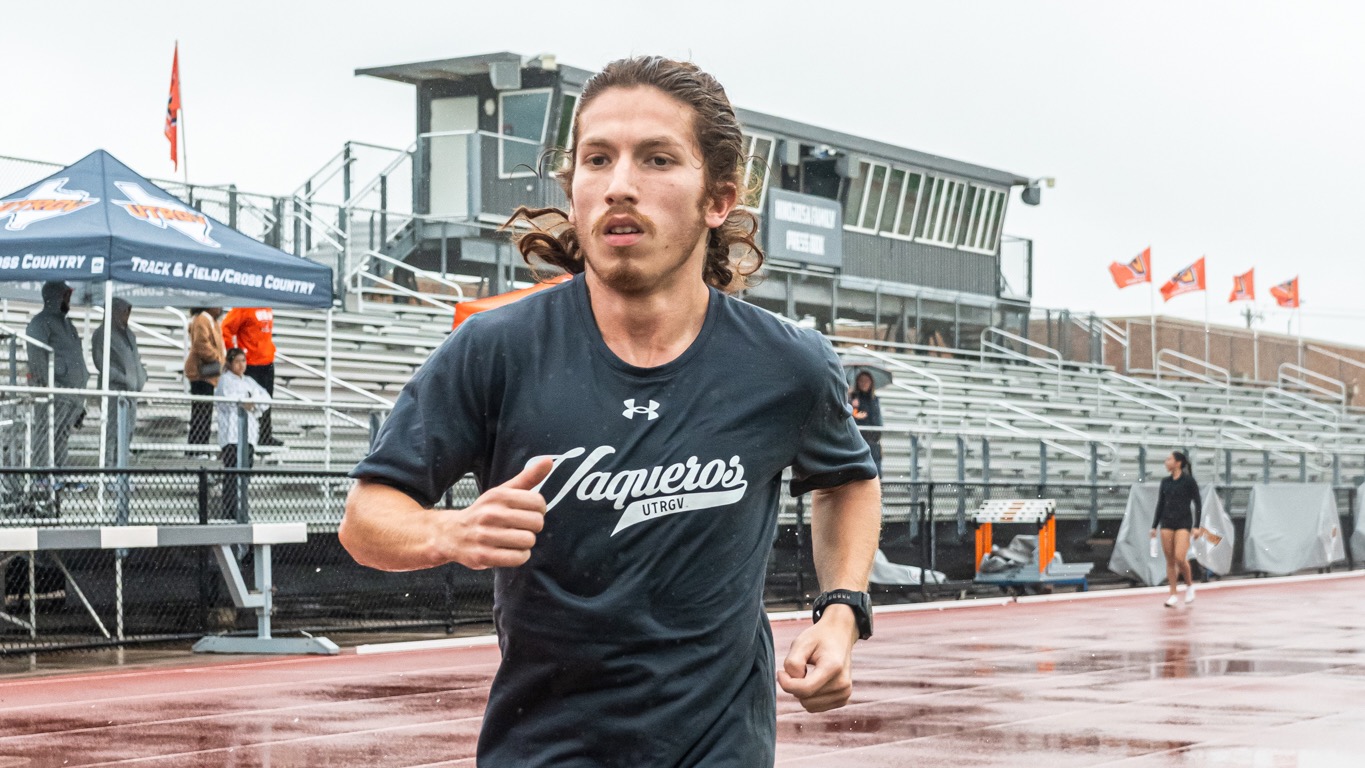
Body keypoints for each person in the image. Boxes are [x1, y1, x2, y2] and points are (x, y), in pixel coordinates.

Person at [341, 56, 882, 767]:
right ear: (573, 187)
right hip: (544, 748)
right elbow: (365, 518)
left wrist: (841, 611)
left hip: (721, 745)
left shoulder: (786, 364)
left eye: (656, 159)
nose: (619, 184)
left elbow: (844, 482)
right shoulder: (495, 349)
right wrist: (450, 530)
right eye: (596, 159)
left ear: (717, 200)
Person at [26, 281, 89, 480]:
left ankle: (60, 474)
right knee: (46, 431)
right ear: (55, 296)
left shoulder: (67, 324)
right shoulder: (40, 323)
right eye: (66, 295)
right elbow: (36, 358)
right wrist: (50, 386)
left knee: (62, 434)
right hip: (53, 391)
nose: (69, 299)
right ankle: (41, 476)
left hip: (72, 392)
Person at [91, 298, 148, 466]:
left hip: (131, 391)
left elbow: (135, 359)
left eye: (129, 310)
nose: (127, 314)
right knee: (112, 431)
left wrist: (141, 376)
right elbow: (100, 362)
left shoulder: (129, 334)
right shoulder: (102, 334)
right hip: (113, 390)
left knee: (128, 431)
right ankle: (108, 468)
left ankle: (121, 467)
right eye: (124, 310)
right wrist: (122, 378)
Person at [216, 348, 270, 519]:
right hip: (232, 436)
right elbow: (232, 401)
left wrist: (249, 400)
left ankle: (241, 509)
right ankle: (229, 512)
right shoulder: (225, 380)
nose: (241, 365)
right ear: (230, 363)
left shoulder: (249, 381)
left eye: (244, 361)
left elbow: (265, 400)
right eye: (238, 361)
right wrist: (248, 399)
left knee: (245, 475)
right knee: (232, 475)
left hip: (249, 436)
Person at [220, 306, 283, 446]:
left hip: (266, 361)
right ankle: (248, 436)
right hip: (251, 363)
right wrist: (234, 354)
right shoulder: (244, 306)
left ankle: (265, 435)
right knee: (250, 401)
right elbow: (225, 328)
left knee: (266, 401)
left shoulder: (267, 305)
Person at [1150, 450, 1203, 607]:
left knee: (1180, 557)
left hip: (1183, 523)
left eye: (1169, 459)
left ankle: (1189, 585)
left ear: (1178, 463)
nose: (1166, 462)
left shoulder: (1188, 481)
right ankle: (1173, 593)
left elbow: (1198, 503)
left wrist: (1197, 526)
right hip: (1166, 523)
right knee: (1170, 560)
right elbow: (1160, 504)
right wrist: (1154, 526)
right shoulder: (1165, 482)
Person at [184, 307, 224, 450]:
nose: (220, 309)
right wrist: (217, 357)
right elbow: (201, 344)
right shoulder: (202, 319)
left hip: (208, 374)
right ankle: (197, 447)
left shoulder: (211, 321)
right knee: (201, 412)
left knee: (204, 412)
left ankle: (200, 446)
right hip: (201, 372)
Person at [849, 370, 883, 475]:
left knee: (876, 471)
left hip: (873, 441)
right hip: (859, 440)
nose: (864, 383)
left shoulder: (875, 399)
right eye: (861, 381)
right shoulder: (853, 398)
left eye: (867, 381)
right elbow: (851, 418)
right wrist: (853, 405)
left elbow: (877, 419)